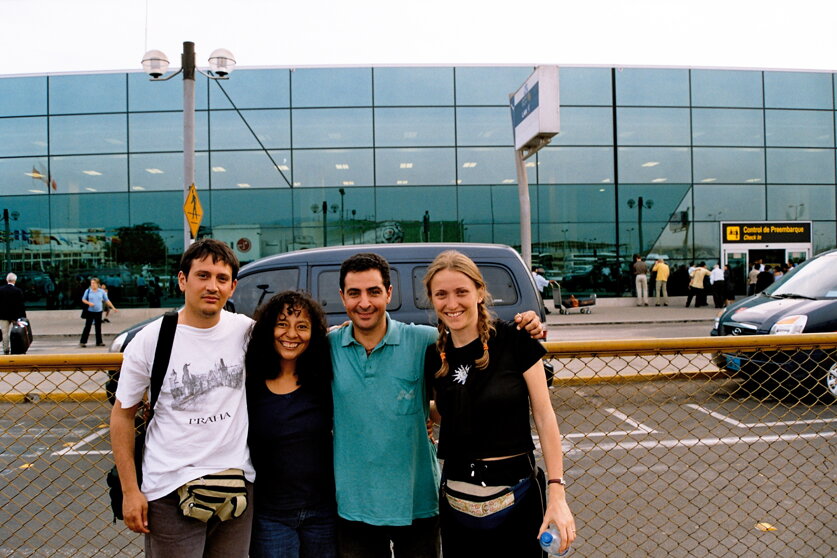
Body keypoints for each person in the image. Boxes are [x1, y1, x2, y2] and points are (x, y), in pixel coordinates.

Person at [328, 252, 543, 558]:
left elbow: (475, 339)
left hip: (418, 502)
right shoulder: (327, 347)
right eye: (354, 293)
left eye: (373, 291)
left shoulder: (426, 341)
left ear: (389, 293)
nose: (364, 302)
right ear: (342, 297)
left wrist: (526, 324)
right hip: (355, 506)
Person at [422, 250, 575, 556]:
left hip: (517, 496)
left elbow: (544, 416)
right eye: (441, 294)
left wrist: (557, 491)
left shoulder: (516, 339)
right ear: (432, 299)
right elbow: (449, 413)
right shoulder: (433, 355)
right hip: (457, 503)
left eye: (461, 292)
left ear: (479, 292)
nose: (452, 303)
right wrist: (426, 415)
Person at [110, 239, 256, 557]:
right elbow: (122, 415)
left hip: (235, 485)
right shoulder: (150, 339)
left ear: (232, 287)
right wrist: (130, 490)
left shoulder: (246, 331)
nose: (212, 286)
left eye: (221, 278)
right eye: (203, 275)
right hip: (169, 489)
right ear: (182, 280)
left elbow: (294, 339)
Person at [245, 291, 337, 558]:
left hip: (323, 512)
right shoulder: (249, 381)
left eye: (302, 326)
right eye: (282, 324)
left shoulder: (325, 377)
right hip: (270, 516)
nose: (291, 334)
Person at [80, 277, 118, 347]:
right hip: (90, 311)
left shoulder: (101, 291)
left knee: (98, 327)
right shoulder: (88, 291)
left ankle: (99, 342)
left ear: (98, 284)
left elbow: (107, 300)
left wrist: (113, 307)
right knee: (87, 326)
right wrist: (89, 303)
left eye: (94, 283)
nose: (92, 284)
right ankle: (83, 342)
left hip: (98, 311)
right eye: (91, 283)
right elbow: (83, 299)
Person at [0, 272, 26, 355]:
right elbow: (21, 305)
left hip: (3, 315)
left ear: (6, 280)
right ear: (15, 280)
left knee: (4, 333)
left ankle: (6, 350)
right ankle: (17, 349)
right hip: (15, 316)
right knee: (18, 332)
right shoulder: (18, 291)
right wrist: (23, 317)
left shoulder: (1, 290)